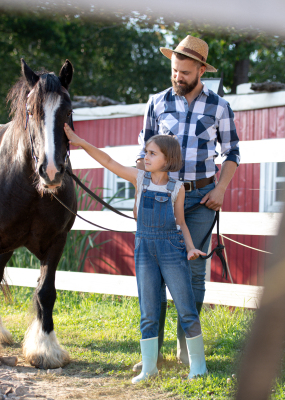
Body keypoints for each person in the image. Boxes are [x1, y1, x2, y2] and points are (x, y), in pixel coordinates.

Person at [63, 124, 208, 382]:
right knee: (148, 310)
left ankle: (198, 365)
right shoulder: (139, 179)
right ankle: (149, 367)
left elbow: (182, 223)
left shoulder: (178, 188)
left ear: (168, 160)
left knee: (186, 308)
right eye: (146, 152)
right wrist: (78, 141)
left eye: (152, 153)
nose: (145, 157)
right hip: (144, 250)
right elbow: (107, 160)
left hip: (172, 250)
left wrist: (191, 247)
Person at [134, 35, 240, 369]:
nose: (177, 76)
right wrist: (141, 190)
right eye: (174, 70)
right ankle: (154, 356)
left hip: (201, 198)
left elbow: (233, 152)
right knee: (157, 272)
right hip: (162, 195)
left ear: (201, 70)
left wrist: (221, 189)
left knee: (192, 273)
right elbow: (144, 153)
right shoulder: (157, 103)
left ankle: (186, 352)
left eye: (184, 72)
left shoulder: (219, 107)